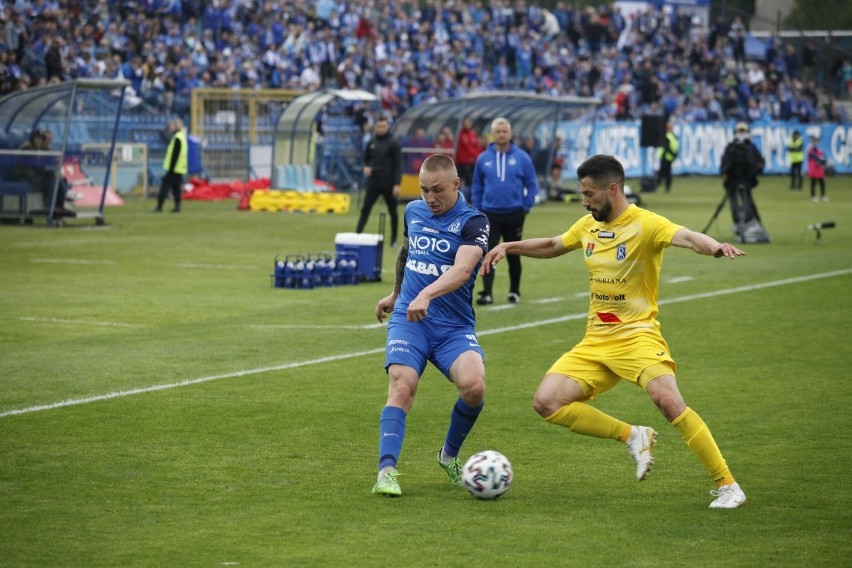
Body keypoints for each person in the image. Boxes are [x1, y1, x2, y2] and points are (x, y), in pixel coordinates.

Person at [480, 154, 748, 509]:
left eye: (589, 194)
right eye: (582, 194)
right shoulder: (588, 225)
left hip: (637, 335)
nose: (584, 201)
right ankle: (633, 435)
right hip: (596, 339)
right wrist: (507, 246)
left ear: (613, 189)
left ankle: (728, 485)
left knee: (668, 402)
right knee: (546, 402)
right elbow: (553, 245)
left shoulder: (646, 224)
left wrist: (713, 246)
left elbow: (685, 236)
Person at [371, 154, 490, 497]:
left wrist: (426, 294)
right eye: (424, 190)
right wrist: (397, 294)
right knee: (402, 385)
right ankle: (386, 471)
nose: (430, 198)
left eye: (437, 190)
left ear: (456, 184)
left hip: (453, 325)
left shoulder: (473, 221)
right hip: (411, 320)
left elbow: (463, 270)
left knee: (474, 387)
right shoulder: (414, 211)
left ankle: (448, 456)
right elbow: (407, 253)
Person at [471, 117, 538, 306]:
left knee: (514, 253)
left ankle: (514, 291)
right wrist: (478, 209)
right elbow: (477, 186)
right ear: (492, 134)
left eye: (504, 131)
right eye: (498, 131)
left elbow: (532, 184)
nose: (501, 134)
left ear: (510, 134)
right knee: (488, 253)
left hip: (515, 213)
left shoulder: (522, 157)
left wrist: (526, 206)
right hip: (489, 214)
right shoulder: (483, 158)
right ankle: (487, 293)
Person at [356, 116, 402, 246]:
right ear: (375, 127)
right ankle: (356, 235)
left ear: (388, 127)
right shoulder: (371, 142)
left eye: (384, 126)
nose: (381, 129)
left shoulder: (394, 143)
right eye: (379, 126)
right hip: (374, 182)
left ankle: (393, 239)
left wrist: (397, 183)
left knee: (393, 212)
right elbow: (365, 159)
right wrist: (366, 167)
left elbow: (399, 164)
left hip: (389, 183)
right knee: (366, 209)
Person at [719, 122, 766, 242]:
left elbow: (759, 162)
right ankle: (739, 226)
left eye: (743, 131)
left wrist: (752, 174)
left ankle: (751, 225)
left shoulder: (749, 147)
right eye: (740, 131)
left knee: (748, 203)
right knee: (735, 205)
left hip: (745, 181)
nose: (741, 133)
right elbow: (725, 163)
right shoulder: (732, 147)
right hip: (733, 182)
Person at [153, 118, 188, 213]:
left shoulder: (177, 138)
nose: (170, 127)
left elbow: (175, 155)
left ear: (176, 126)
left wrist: (171, 168)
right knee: (176, 188)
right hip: (179, 168)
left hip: (174, 168)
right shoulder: (181, 137)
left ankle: (159, 206)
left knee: (165, 186)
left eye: (172, 125)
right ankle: (177, 207)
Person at [455, 118, 484, 200]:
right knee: (461, 182)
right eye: (466, 123)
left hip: (471, 163)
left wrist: (477, 156)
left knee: (470, 182)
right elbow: (468, 148)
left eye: (469, 123)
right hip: (462, 163)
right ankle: (460, 199)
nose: (468, 124)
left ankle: (469, 199)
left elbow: (475, 146)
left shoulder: (472, 133)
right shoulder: (461, 134)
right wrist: (478, 156)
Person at [656, 122, 679, 193]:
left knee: (663, 173)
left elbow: (667, 147)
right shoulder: (673, 136)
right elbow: (672, 146)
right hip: (669, 157)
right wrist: (674, 155)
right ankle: (666, 187)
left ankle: (657, 185)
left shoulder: (667, 136)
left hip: (666, 156)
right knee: (666, 173)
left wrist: (672, 154)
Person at [806, 134, 828, 202]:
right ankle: (813, 196)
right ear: (812, 142)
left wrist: (820, 162)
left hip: (819, 170)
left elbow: (824, 159)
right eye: (814, 141)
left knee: (822, 183)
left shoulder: (819, 151)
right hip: (813, 169)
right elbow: (814, 158)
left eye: (816, 141)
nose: (815, 142)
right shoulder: (810, 151)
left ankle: (823, 196)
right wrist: (819, 161)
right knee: (813, 183)